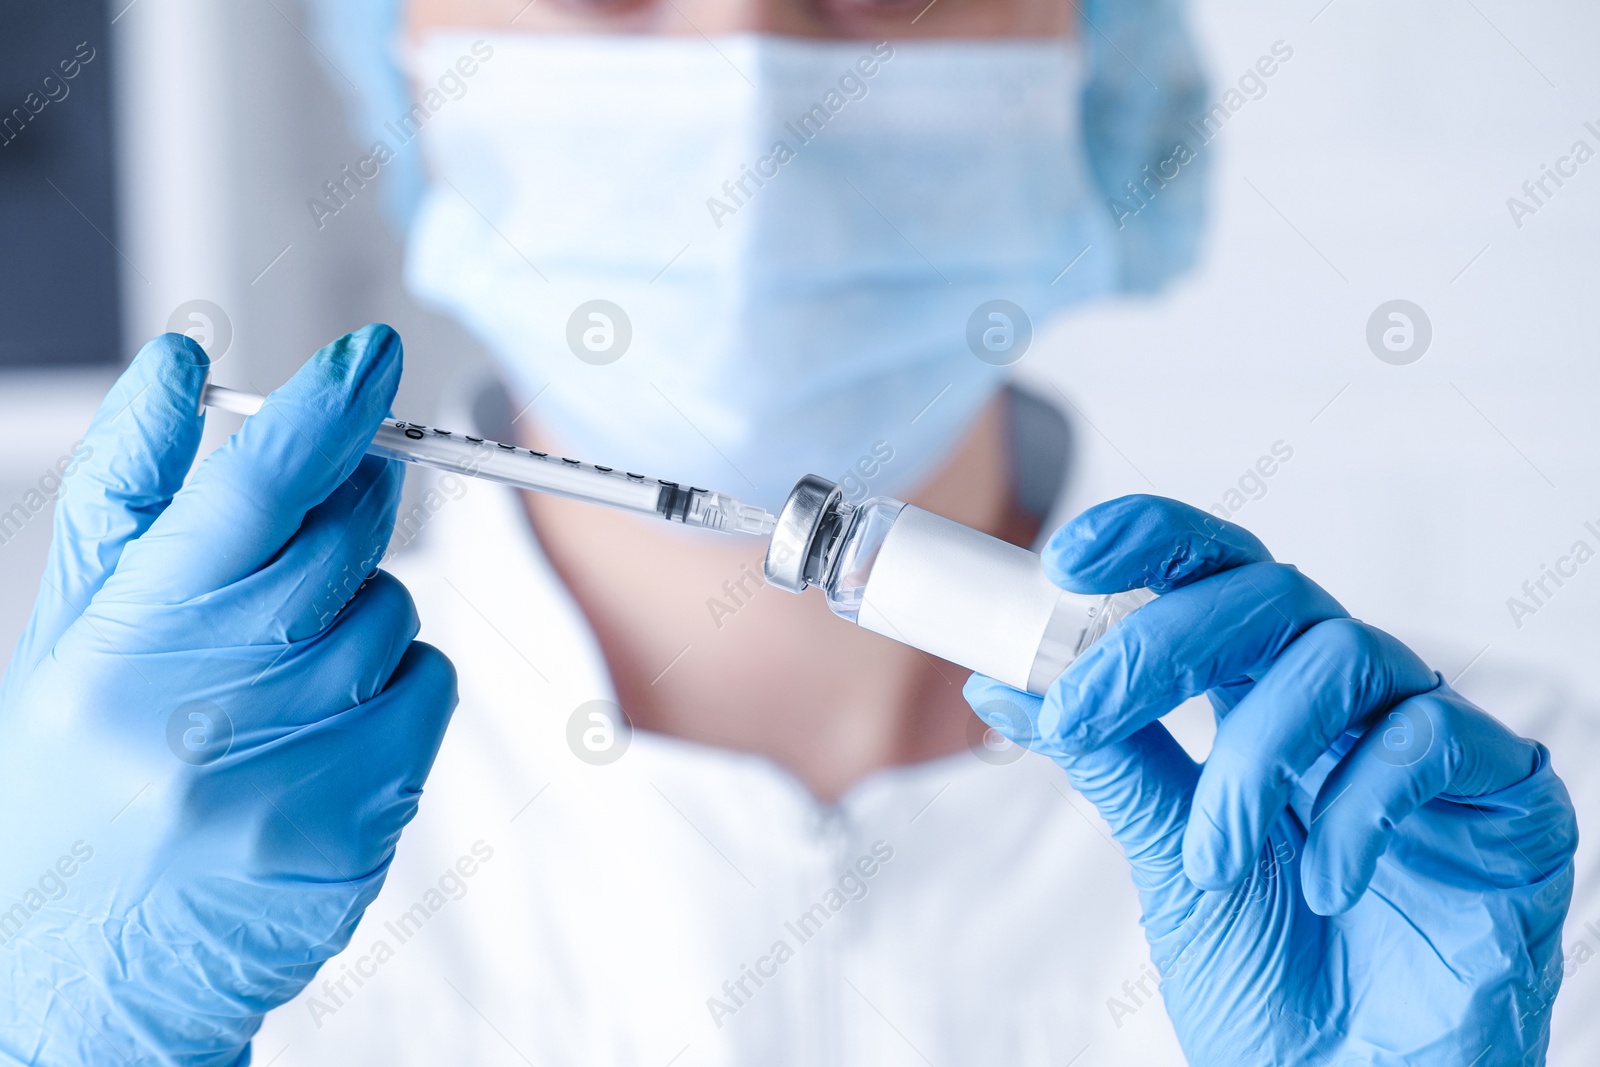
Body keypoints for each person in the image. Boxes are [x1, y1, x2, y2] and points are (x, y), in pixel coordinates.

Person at [0, 1, 1583, 1065]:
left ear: (1093, 60)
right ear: (402, 49)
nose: (743, 75)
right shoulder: (133, 875)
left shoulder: (1452, 832)